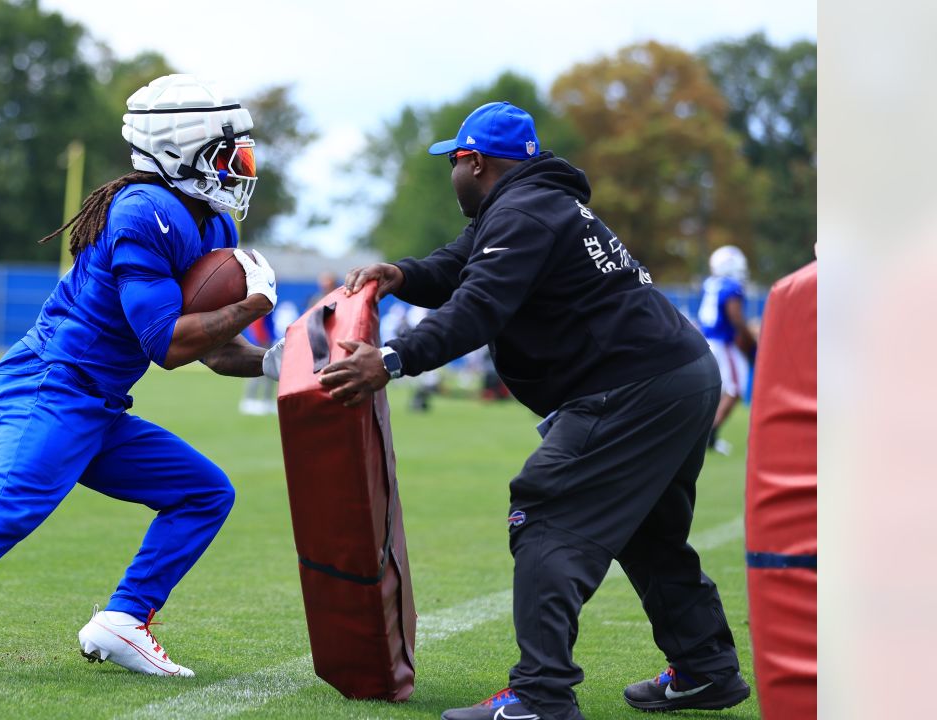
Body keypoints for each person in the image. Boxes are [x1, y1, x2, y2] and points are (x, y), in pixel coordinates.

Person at [318, 102, 749, 720]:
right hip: (676, 375)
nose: (453, 175)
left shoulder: (522, 212)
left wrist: (389, 359)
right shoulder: (532, 202)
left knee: (545, 512)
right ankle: (706, 669)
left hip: (634, 385)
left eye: (454, 163)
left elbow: (477, 308)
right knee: (650, 535)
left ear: (474, 163)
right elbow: (456, 266)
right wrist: (401, 276)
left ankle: (541, 696)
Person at [0, 74, 281, 683]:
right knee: (10, 508)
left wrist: (274, 359)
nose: (240, 167)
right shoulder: (146, 212)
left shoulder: (211, 225)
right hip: (50, 386)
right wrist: (250, 307)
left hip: (97, 403)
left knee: (203, 493)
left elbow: (210, 349)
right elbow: (167, 345)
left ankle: (125, 620)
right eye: (227, 153)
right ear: (179, 149)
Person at [697, 245, 757, 455]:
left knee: (718, 390)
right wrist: (751, 341)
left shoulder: (709, 284)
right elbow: (736, 319)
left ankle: (706, 435)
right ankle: (709, 436)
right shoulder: (731, 286)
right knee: (735, 389)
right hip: (723, 343)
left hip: (706, 341)